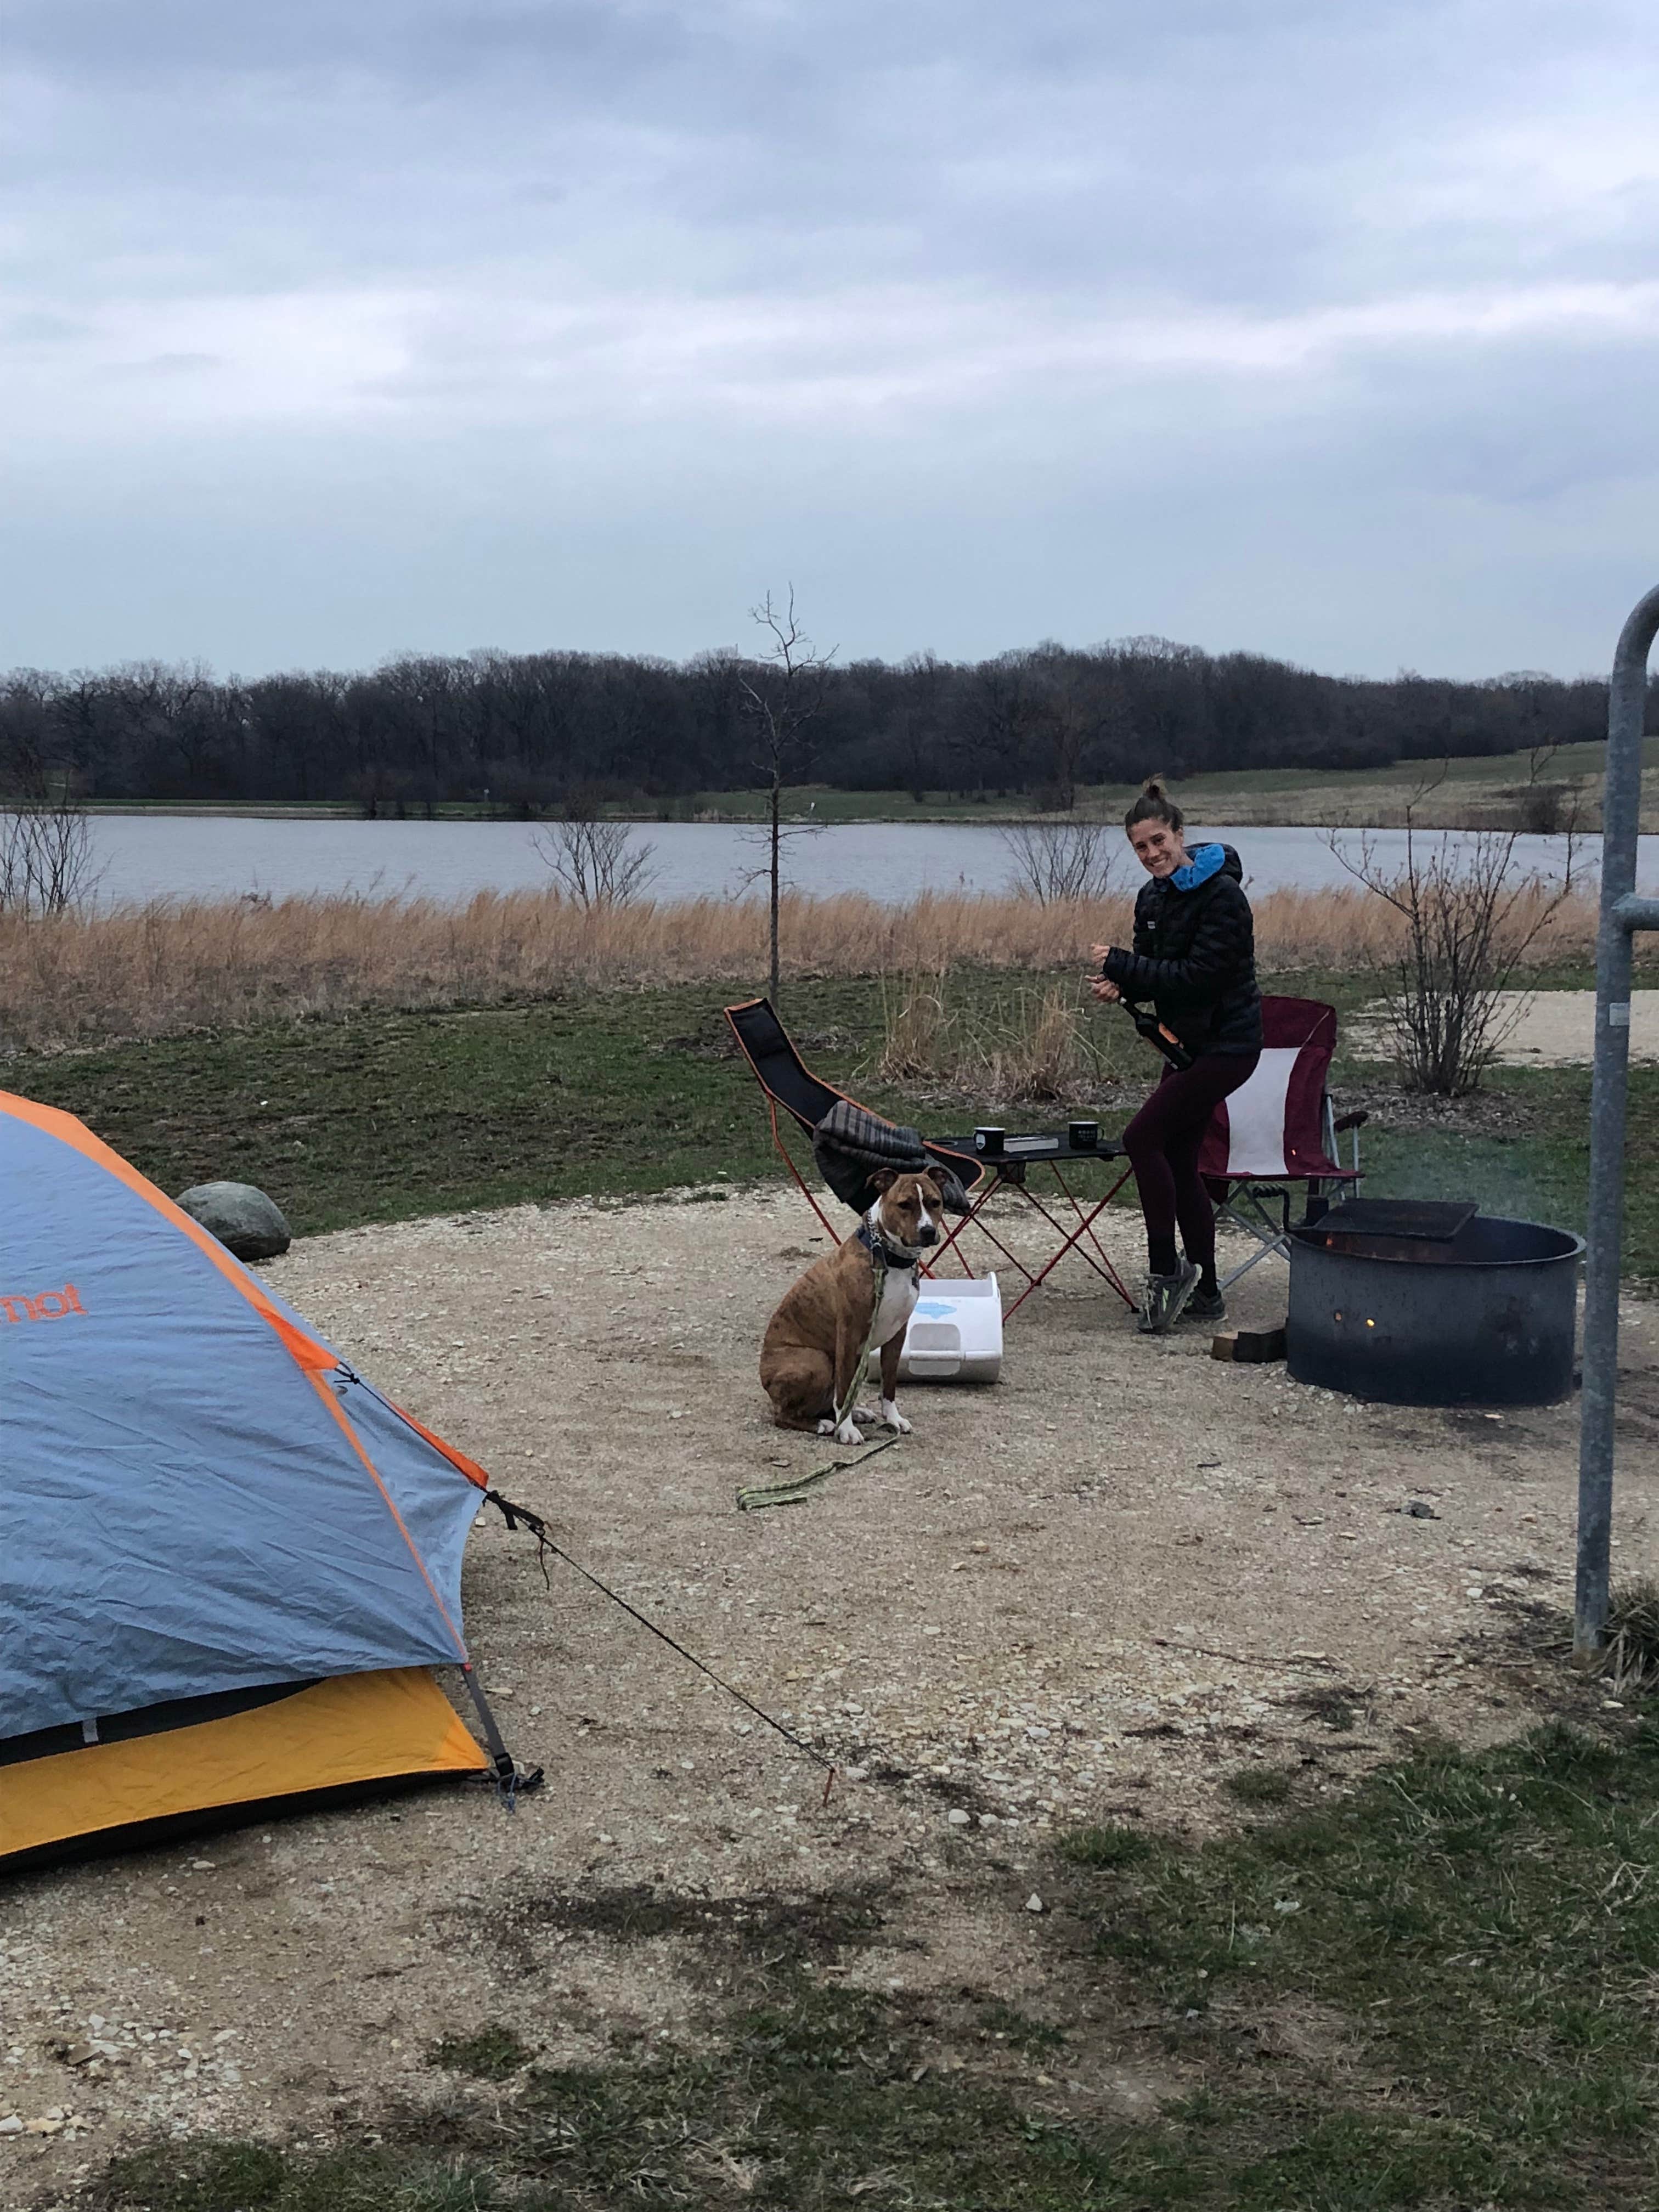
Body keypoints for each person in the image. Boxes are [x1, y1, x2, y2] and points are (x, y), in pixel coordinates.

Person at [1090, 777, 1262, 1333]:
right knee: (1181, 1160)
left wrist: (1124, 966)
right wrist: (1123, 984)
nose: (1152, 855)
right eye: (1140, 847)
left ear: (1181, 835)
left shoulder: (1223, 895)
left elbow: (1200, 978)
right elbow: (1151, 969)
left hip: (1230, 1046)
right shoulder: (1152, 897)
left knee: (1143, 1138)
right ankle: (1207, 1290)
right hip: (1185, 1046)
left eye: (1159, 841)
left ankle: (1166, 1273)